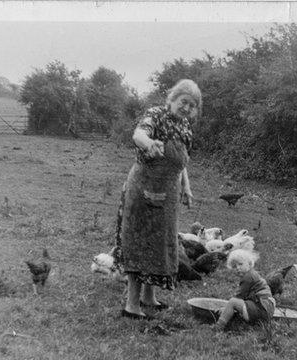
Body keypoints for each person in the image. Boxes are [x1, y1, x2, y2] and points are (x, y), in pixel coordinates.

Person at [115, 79, 202, 320]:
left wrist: (187, 186)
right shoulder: (156, 114)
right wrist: (149, 143)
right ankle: (132, 304)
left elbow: (181, 161)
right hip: (144, 188)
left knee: (158, 244)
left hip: (168, 193)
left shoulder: (185, 127)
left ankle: (148, 297)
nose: (186, 108)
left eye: (192, 105)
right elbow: (138, 134)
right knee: (140, 242)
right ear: (172, 99)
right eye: (183, 102)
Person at [214, 249, 276, 329]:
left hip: (261, 309)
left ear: (249, 263)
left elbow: (240, 296)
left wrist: (226, 308)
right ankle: (243, 319)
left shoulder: (248, 277)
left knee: (233, 302)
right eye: (235, 266)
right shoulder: (252, 274)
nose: (238, 268)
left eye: (240, 264)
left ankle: (219, 326)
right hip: (265, 308)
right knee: (237, 303)